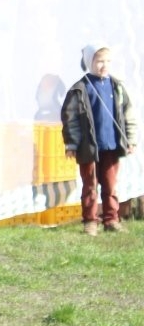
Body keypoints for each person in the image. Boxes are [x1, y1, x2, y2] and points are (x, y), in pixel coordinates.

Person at [61, 44, 138, 235]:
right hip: (88, 148)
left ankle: (111, 219)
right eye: (99, 61)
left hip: (111, 145)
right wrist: (71, 144)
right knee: (90, 186)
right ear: (90, 62)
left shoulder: (117, 87)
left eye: (108, 61)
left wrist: (130, 139)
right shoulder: (80, 88)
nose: (104, 65)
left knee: (110, 185)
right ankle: (90, 221)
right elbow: (70, 119)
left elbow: (128, 114)